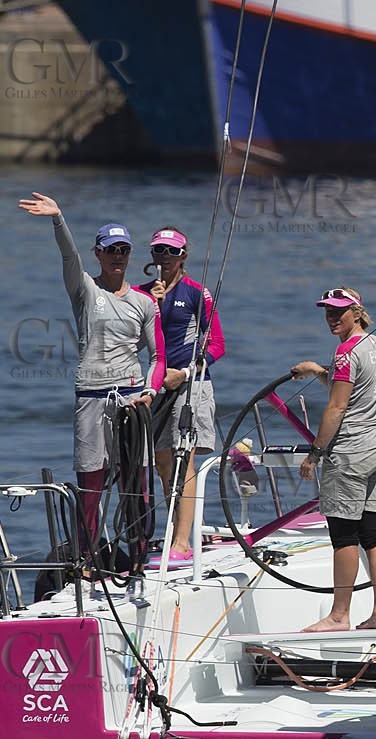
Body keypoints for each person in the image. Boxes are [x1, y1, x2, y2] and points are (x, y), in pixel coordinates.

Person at [18, 193, 164, 563]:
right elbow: (69, 257)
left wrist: (151, 389)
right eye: (111, 249)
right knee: (91, 482)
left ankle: (140, 558)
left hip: (132, 399)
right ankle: (86, 560)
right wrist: (58, 219)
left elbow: (159, 356)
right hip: (91, 396)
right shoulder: (85, 289)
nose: (118, 255)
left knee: (137, 483)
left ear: (130, 255)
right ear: (98, 253)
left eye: (124, 249)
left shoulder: (145, 303)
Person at [292, 287, 376, 631]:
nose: (333, 317)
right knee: (371, 532)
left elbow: (337, 407)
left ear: (356, 311)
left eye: (339, 311)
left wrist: (315, 454)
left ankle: (339, 616)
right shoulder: (375, 346)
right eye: (328, 311)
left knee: (344, 535)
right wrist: (316, 371)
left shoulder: (345, 353)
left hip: (351, 452)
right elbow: (356, 391)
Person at [142, 227, 225, 564]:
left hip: (190, 383)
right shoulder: (142, 293)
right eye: (159, 251)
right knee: (162, 461)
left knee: (183, 458)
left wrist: (186, 373)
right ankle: (175, 528)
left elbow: (216, 343)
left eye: (171, 252)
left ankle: (182, 541)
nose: (165, 258)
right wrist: (154, 304)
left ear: (183, 256)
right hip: (156, 386)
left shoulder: (196, 293)